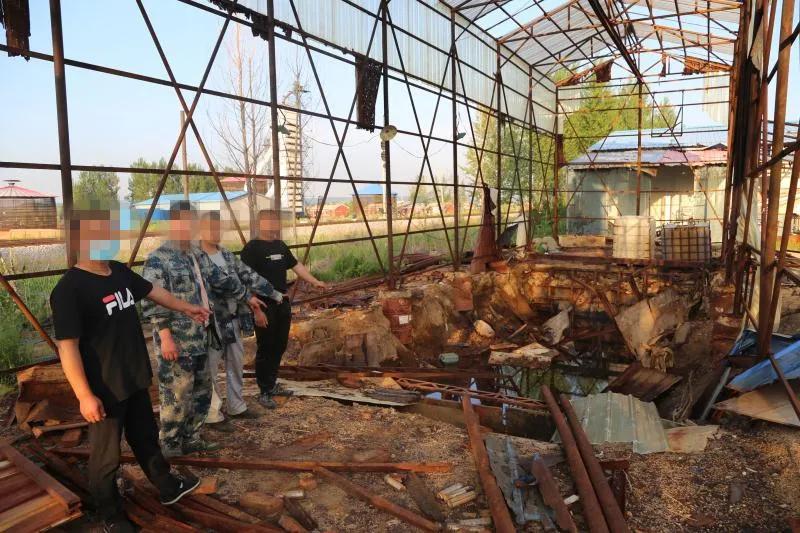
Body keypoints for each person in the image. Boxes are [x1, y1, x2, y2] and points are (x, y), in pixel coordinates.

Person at [50, 205, 209, 532]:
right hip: (105, 388)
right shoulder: (69, 290)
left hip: (134, 376)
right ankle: (110, 514)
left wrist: (188, 308)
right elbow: (67, 348)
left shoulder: (119, 271)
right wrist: (84, 395)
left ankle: (166, 486)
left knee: (145, 437)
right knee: (106, 458)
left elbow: (154, 292)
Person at [142, 201, 278, 457]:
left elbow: (221, 280)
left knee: (201, 391)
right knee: (176, 393)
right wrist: (165, 336)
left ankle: (192, 437)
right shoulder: (159, 259)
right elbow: (152, 300)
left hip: (204, 334)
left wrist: (247, 297)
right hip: (178, 339)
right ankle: (171, 443)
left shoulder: (196, 255)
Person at [198, 211, 280, 431]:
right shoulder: (196, 257)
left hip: (234, 317)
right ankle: (212, 413)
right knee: (211, 367)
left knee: (235, 362)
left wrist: (274, 293)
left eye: (218, 228)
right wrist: (249, 297)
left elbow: (248, 274)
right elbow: (223, 283)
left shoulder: (225, 254)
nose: (216, 233)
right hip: (213, 321)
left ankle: (236, 405)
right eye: (210, 228)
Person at [241, 209, 327, 409]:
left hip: (283, 303)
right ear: (260, 224)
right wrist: (256, 310)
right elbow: (244, 280)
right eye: (268, 222)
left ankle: (272, 384)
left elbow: (296, 266)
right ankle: (264, 391)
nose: (272, 225)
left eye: (275, 221)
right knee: (266, 347)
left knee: (279, 345)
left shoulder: (280, 246)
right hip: (263, 305)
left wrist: (315, 282)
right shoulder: (251, 249)